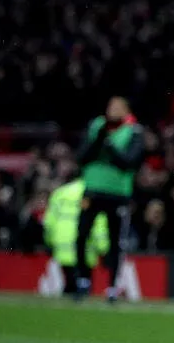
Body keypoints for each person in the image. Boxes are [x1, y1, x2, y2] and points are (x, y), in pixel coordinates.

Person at [74, 96, 145, 302]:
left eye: (117, 107)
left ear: (127, 110)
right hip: (92, 191)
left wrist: (109, 146)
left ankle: (112, 287)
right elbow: (82, 157)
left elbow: (129, 162)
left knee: (116, 242)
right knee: (81, 235)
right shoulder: (97, 126)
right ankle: (83, 282)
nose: (112, 110)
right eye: (110, 106)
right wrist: (99, 141)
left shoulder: (134, 131)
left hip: (118, 194)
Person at [43, 175, 109, 296]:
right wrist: (103, 247)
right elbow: (100, 223)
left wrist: (49, 241)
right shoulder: (94, 193)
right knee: (84, 286)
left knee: (69, 284)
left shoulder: (60, 193)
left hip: (63, 244)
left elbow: (49, 221)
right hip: (86, 247)